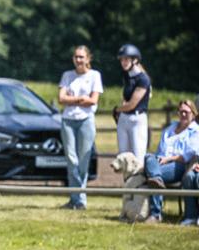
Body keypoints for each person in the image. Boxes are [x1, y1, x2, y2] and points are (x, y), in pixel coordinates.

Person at [57, 45, 103, 210]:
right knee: (71, 158)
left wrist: (73, 98)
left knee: (83, 160)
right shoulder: (67, 75)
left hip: (86, 120)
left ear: (88, 59)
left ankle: (77, 199)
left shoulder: (94, 76)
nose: (78, 60)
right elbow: (61, 98)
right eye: (76, 56)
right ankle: (78, 198)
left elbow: (93, 100)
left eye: (81, 57)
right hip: (68, 120)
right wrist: (79, 99)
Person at [142, 99, 199, 224]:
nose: (183, 114)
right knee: (148, 157)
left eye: (186, 112)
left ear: (193, 114)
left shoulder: (195, 131)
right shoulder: (169, 130)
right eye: (180, 111)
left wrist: (169, 159)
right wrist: (152, 162)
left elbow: (188, 155)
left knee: (154, 174)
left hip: (180, 165)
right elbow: (159, 153)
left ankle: (155, 214)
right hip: (160, 163)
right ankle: (156, 179)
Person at [112, 44, 151, 160]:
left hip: (137, 120)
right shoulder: (127, 76)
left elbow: (132, 104)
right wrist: (121, 111)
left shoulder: (143, 79)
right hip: (124, 119)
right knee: (123, 158)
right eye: (122, 60)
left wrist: (117, 110)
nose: (123, 62)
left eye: (126, 59)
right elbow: (125, 98)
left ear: (135, 60)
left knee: (138, 158)